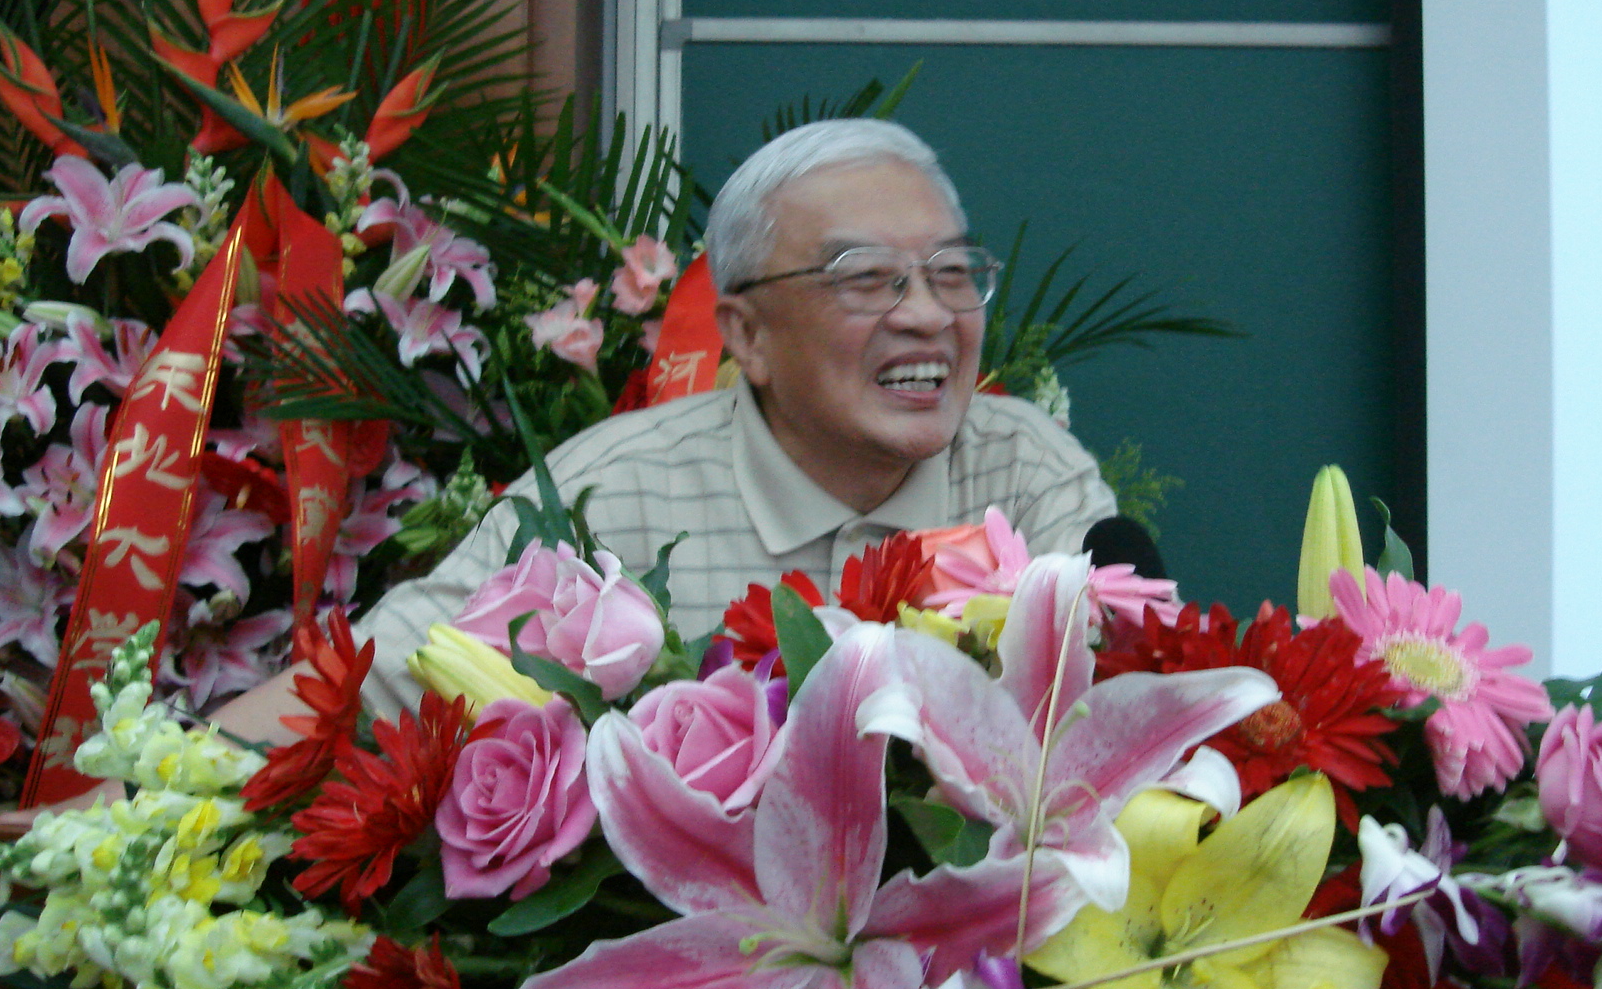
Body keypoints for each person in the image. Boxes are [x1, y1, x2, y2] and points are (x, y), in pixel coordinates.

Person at [225, 118, 1119, 726]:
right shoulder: (610, 497)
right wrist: (165, 791)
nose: (927, 315)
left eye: (952, 274)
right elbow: (359, 686)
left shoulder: (1024, 472)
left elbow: (1129, 698)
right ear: (749, 335)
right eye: (865, 278)